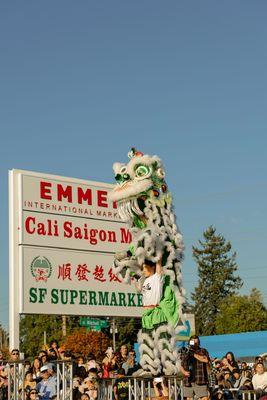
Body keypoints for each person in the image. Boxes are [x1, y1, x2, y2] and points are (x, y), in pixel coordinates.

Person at [180, 335, 210, 400]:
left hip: (200, 379)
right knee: (189, 398)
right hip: (188, 380)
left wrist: (193, 354)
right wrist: (184, 372)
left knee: (205, 398)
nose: (195, 344)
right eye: (193, 342)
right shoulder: (185, 351)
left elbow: (206, 360)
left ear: (199, 343)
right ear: (189, 342)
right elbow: (180, 364)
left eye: (196, 342)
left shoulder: (203, 351)